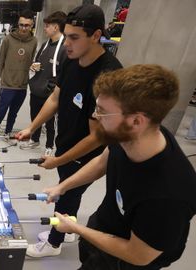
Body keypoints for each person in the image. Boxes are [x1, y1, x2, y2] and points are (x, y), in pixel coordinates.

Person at [44, 64, 196, 269]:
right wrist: (62, 187)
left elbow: (138, 255)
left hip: (124, 260)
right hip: (104, 229)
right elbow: (103, 161)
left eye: (102, 112)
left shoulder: (169, 194)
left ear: (136, 121)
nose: (96, 117)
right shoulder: (125, 136)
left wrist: (76, 228)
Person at [16, 4, 122, 258]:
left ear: (96, 36)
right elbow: (55, 97)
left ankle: (54, 242)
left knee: (67, 193)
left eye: (74, 38)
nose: (67, 44)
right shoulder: (71, 59)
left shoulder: (107, 75)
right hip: (67, 142)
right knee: (68, 192)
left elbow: (97, 137)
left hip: (87, 153)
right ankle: (69, 227)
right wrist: (32, 127)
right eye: (66, 37)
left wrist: (57, 161)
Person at [20, 11, 67, 156]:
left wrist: (53, 89)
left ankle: (49, 145)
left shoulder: (64, 47)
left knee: (49, 120)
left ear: (56, 27)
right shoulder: (46, 44)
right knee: (35, 115)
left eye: (47, 26)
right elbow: (38, 60)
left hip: (50, 91)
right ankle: (35, 139)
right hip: (37, 87)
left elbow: (64, 72)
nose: (45, 29)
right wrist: (34, 66)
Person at [0, 10, 38, 138]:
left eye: (27, 25)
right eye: (21, 25)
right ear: (18, 24)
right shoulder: (8, 39)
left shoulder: (34, 41)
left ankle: (8, 133)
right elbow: (0, 62)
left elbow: (30, 61)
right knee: (1, 111)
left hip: (22, 85)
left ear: (31, 25)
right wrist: (5, 78)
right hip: (7, 84)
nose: (23, 28)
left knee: (14, 112)